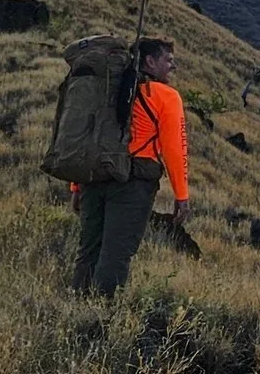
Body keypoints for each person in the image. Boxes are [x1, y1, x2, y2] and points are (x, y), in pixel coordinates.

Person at [70, 38, 188, 297]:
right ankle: (99, 319)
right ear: (150, 61)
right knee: (116, 254)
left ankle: (76, 307)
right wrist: (181, 195)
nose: (173, 66)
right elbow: (174, 149)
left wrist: (76, 185)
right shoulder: (166, 96)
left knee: (88, 250)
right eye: (167, 60)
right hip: (133, 184)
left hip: (93, 176)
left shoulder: (106, 91)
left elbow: (87, 135)